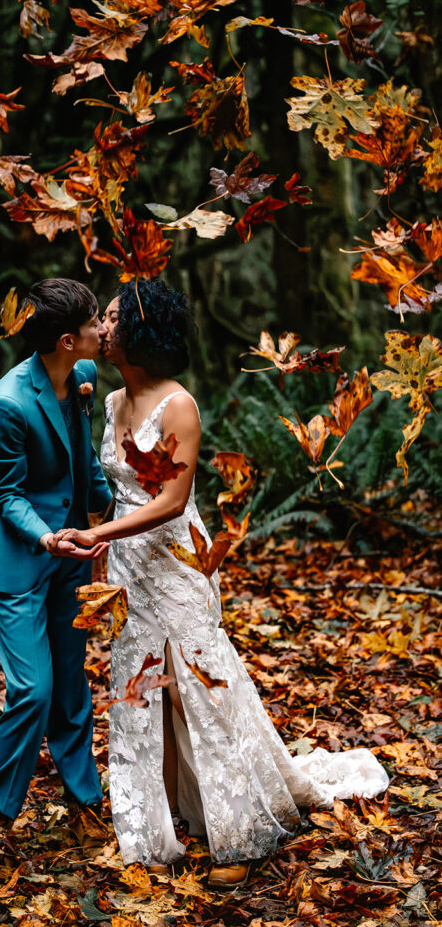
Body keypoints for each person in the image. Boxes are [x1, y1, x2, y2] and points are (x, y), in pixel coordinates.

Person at [56, 279, 389, 887]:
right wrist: (93, 535)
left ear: (137, 331)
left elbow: (170, 499)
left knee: (194, 687)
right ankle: (155, 825)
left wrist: (104, 535)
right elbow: (118, 491)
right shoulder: (106, 402)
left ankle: (238, 833)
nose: (101, 328)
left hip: (176, 559)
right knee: (140, 687)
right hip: (130, 566)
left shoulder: (177, 404)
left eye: (109, 318)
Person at [0, 278, 112, 860]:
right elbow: (3, 493)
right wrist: (47, 539)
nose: (105, 329)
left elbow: (85, 456)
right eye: (97, 322)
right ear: (68, 339)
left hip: (72, 552)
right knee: (34, 690)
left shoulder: (84, 380)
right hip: (21, 557)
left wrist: (110, 522)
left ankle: (83, 802)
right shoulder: (4, 405)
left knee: (72, 684)